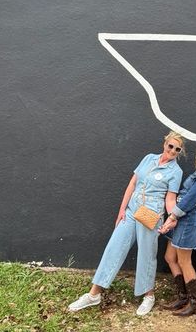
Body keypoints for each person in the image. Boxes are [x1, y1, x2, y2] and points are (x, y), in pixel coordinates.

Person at [68, 131, 184, 316]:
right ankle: (94, 294)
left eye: (177, 149)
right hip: (131, 211)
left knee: (147, 255)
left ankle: (148, 296)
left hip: (150, 216)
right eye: (170, 146)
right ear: (165, 144)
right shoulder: (148, 159)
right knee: (114, 247)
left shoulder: (175, 172)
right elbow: (132, 184)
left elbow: (170, 200)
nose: (172, 151)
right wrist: (122, 210)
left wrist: (173, 217)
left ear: (179, 152)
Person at [159, 142, 196, 316]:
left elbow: (190, 199)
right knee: (170, 257)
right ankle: (183, 296)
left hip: (188, 218)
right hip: (181, 216)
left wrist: (172, 217)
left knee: (184, 261)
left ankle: (194, 302)